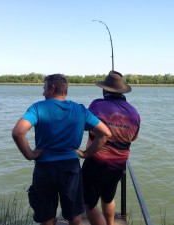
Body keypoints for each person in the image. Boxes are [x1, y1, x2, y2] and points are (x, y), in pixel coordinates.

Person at [12, 74, 111, 225]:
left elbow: (18, 132)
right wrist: (86, 154)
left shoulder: (38, 107)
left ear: (52, 88)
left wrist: (30, 155)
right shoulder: (80, 110)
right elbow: (105, 133)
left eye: (44, 88)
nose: (43, 93)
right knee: (74, 215)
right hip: (70, 169)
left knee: (46, 217)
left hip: (44, 169)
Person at [75, 70, 141, 225]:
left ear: (105, 90)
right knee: (108, 197)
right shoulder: (134, 112)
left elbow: (85, 126)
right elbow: (134, 137)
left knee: (89, 203)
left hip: (96, 161)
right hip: (119, 164)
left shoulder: (97, 105)